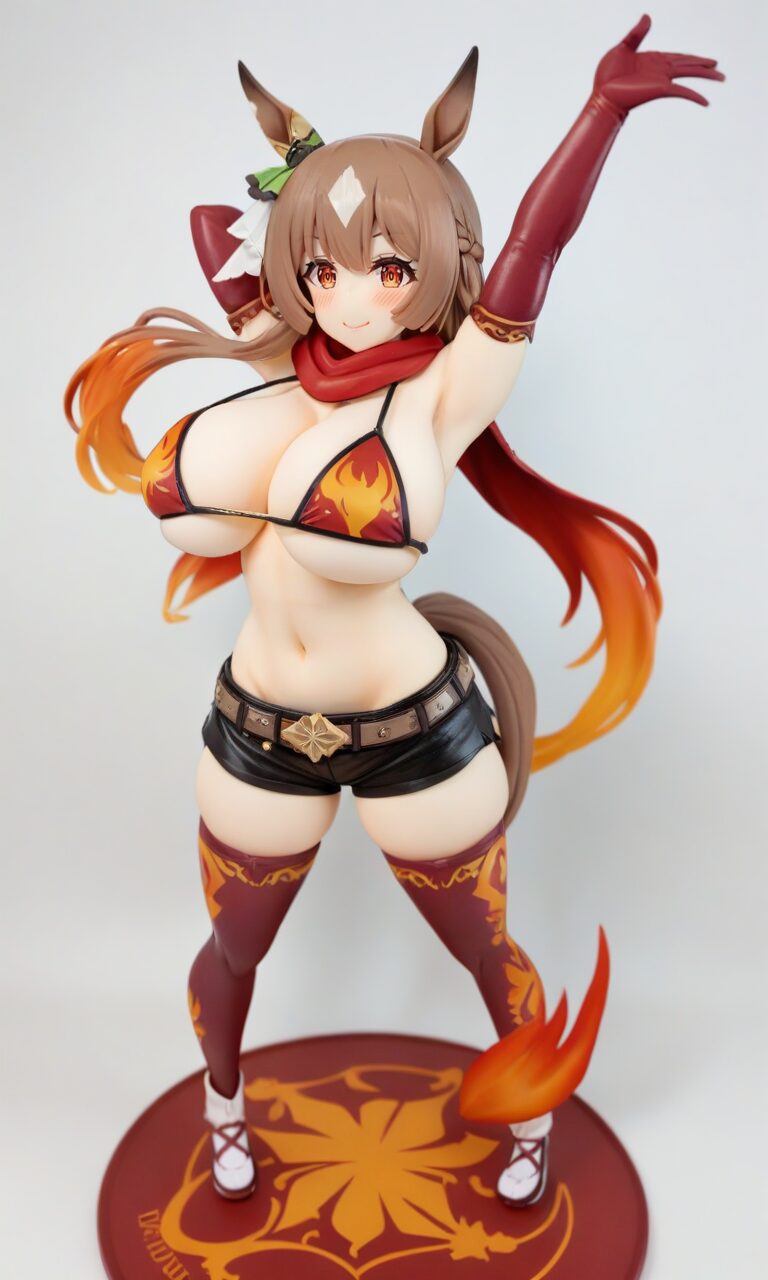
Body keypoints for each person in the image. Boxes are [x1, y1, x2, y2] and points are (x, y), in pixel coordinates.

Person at [66, 15, 722, 1209]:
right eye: (324, 270)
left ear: (432, 264)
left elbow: (535, 246)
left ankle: (529, 1118)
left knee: (484, 948)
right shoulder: (274, 359)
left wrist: (600, 114)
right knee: (234, 949)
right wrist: (281, 224)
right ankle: (223, 1108)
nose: (355, 298)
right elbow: (218, 236)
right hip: (260, 727)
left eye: (387, 267)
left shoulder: (449, 388)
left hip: (415, 730)